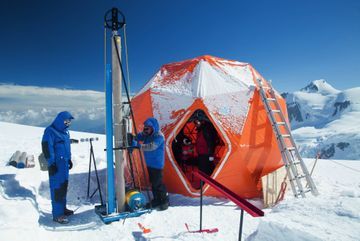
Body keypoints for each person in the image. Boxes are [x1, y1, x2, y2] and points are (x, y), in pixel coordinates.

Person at [41, 111, 74, 224]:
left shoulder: (65, 132)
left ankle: (63, 209)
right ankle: (57, 215)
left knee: (64, 187)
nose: (68, 123)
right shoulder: (50, 131)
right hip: (56, 165)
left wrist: (69, 159)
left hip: (64, 164)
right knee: (57, 189)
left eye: (69, 121)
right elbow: (47, 148)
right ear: (60, 120)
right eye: (66, 121)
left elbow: (67, 147)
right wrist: (51, 163)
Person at [134, 117, 169, 211]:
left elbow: (151, 147)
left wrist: (138, 145)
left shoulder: (159, 136)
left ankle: (164, 201)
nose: (146, 130)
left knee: (158, 183)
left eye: (147, 128)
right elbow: (140, 136)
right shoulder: (148, 134)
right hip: (150, 164)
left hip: (157, 164)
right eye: (145, 128)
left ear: (153, 127)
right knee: (153, 183)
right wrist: (133, 138)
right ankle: (157, 199)